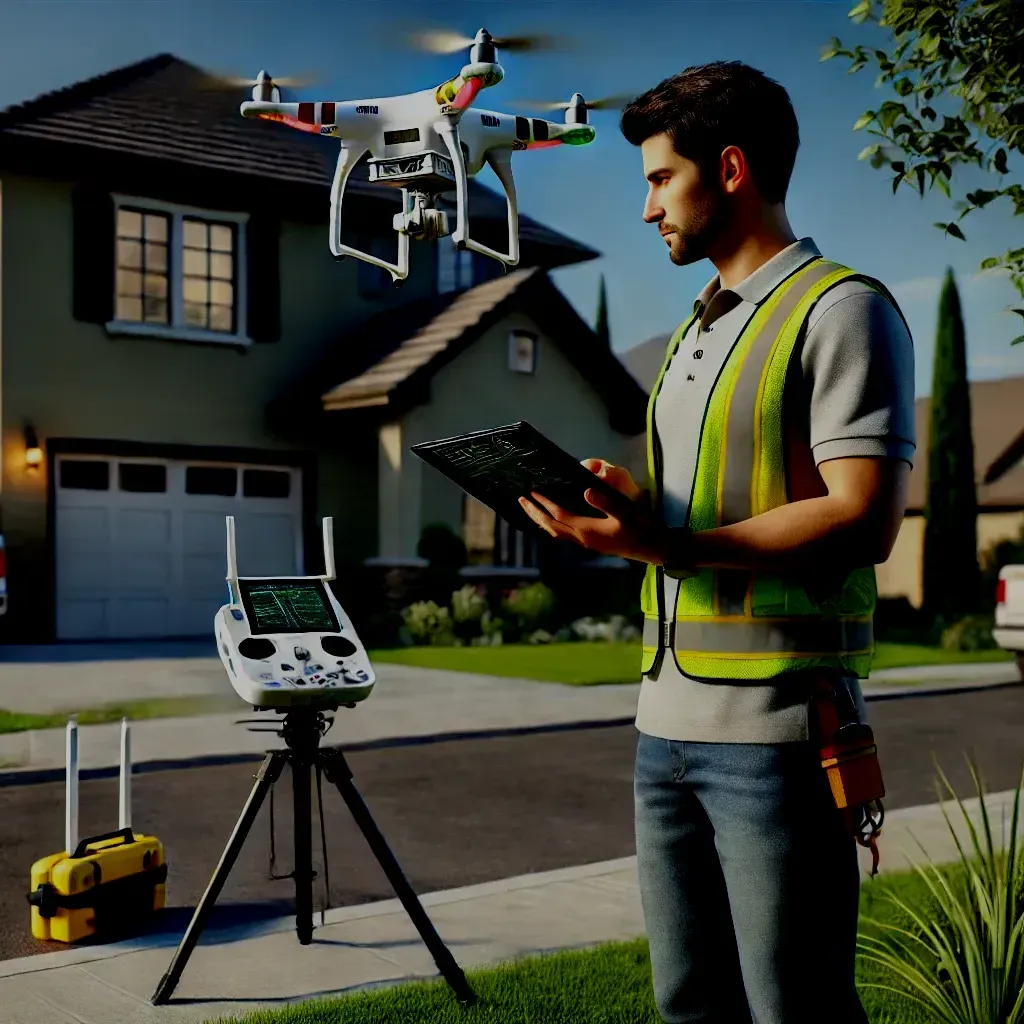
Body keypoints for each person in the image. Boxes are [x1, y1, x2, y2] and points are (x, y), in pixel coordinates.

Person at [518, 60, 915, 1024]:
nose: (647, 206)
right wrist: (636, 508)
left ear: (729, 168)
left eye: (660, 178)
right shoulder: (697, 331)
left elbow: (864, 514)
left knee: (797, 1008)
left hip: (779, 737)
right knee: (689, 1003)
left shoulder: (841, 309)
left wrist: (665, 546)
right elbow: (710, 508)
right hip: (665, 728)